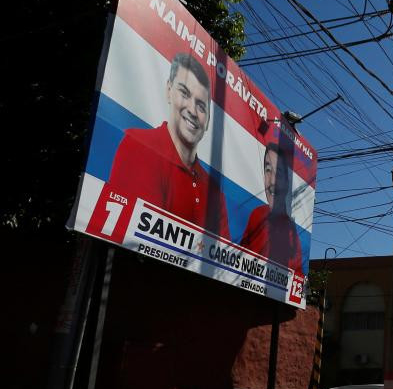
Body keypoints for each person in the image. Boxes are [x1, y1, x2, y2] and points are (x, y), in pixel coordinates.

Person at [93, 51, 229, 238]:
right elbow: (131, 238)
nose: (192, 110)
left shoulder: (215, 192)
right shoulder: (139, 145)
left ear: (208, 121)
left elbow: (219, 258)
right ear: (168, 91)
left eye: (201, 106)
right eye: (184, 93)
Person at [240, 140, 303, 271]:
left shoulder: (292, 237)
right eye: (268, 170)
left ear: (287, 183)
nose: (272, 181)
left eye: (279, 172)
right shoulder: (257, 214)